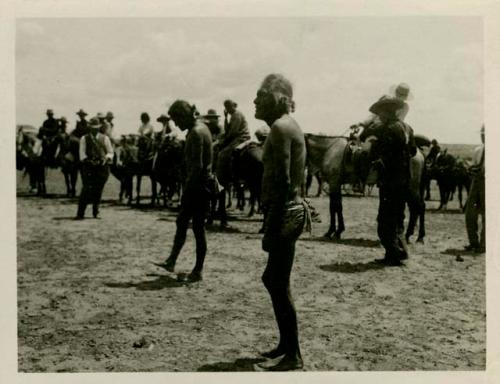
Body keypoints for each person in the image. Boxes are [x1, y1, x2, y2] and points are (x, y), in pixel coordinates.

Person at [254, 74, 308, 371]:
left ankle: (294, 354)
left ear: (278, 97)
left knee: (276, 280)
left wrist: (271, 222)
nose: (255, 101)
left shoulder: (279, 127)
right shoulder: (286, 126)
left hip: (285, 211)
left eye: (261, 95)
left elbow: (284, 180)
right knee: (273, 279)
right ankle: (286, 345)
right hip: (288, 211)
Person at [154, 100, 213, 282]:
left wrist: (186, 192)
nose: (177, 125)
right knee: (186, 224)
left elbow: (196, 167)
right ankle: (173, 261)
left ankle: (197, 271)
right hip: (202, 185)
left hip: (197, 187)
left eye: (177, 120)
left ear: (184, 116)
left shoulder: (195, 133)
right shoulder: (202, 128)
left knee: (196, 228)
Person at [361, 96, 417, 266]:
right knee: (398, 217)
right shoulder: (407, 128)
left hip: (390, 181)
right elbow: (413, 151)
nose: (379, 116)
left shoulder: (386, 129)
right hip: (404, 180)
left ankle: (392, 255)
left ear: (387, 112)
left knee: (385, 219)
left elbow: (375, 150)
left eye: (381, 113)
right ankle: (402, 252)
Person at [75, 117, 114, 219]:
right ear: (90, 128)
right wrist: (87, 161)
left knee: (98, 189)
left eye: (96, 128)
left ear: (99, 128)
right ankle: (81, 212)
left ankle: (95, 211)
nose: (94, 130)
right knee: (86, 188)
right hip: (89, 167)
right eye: (92, 128)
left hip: (101, 167)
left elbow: (110, 152)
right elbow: (82, 153)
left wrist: (106, 158)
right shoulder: (84, 138)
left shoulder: (105, 138)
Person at [216, 99, 251, 185]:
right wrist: (225, 117)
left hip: (241, 138)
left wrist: (223, 141)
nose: (227, 109)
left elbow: (233, 132)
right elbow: (227, 130)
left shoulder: (237, 115)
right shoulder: (232, 116)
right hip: (237, 137)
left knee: (222, 154)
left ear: (233, 106)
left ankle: (227, 177)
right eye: (226, 107)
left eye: (228, 107)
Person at [464, 125, 485, 253]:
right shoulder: (478, 150)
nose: (483, 136)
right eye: (482, 134)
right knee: (470, 214)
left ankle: (484, 244)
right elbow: (474, 166)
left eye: (485, 134)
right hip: (476, 183)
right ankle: (473, 242)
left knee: (487, 215)